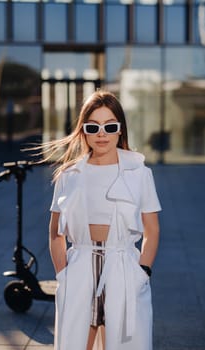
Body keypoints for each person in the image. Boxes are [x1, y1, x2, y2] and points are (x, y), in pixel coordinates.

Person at [48, 90, 161, 350]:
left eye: (110, 126)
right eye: (93, 126)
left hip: (123, 269)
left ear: (120, 130)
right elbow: (55, 232)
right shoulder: (68, 175)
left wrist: (142, 273)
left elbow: (152, 230)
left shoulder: (140, 173)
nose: (102, 133)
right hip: (79, 269)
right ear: (83, 130)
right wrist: (63, 274)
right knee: (76, 344)